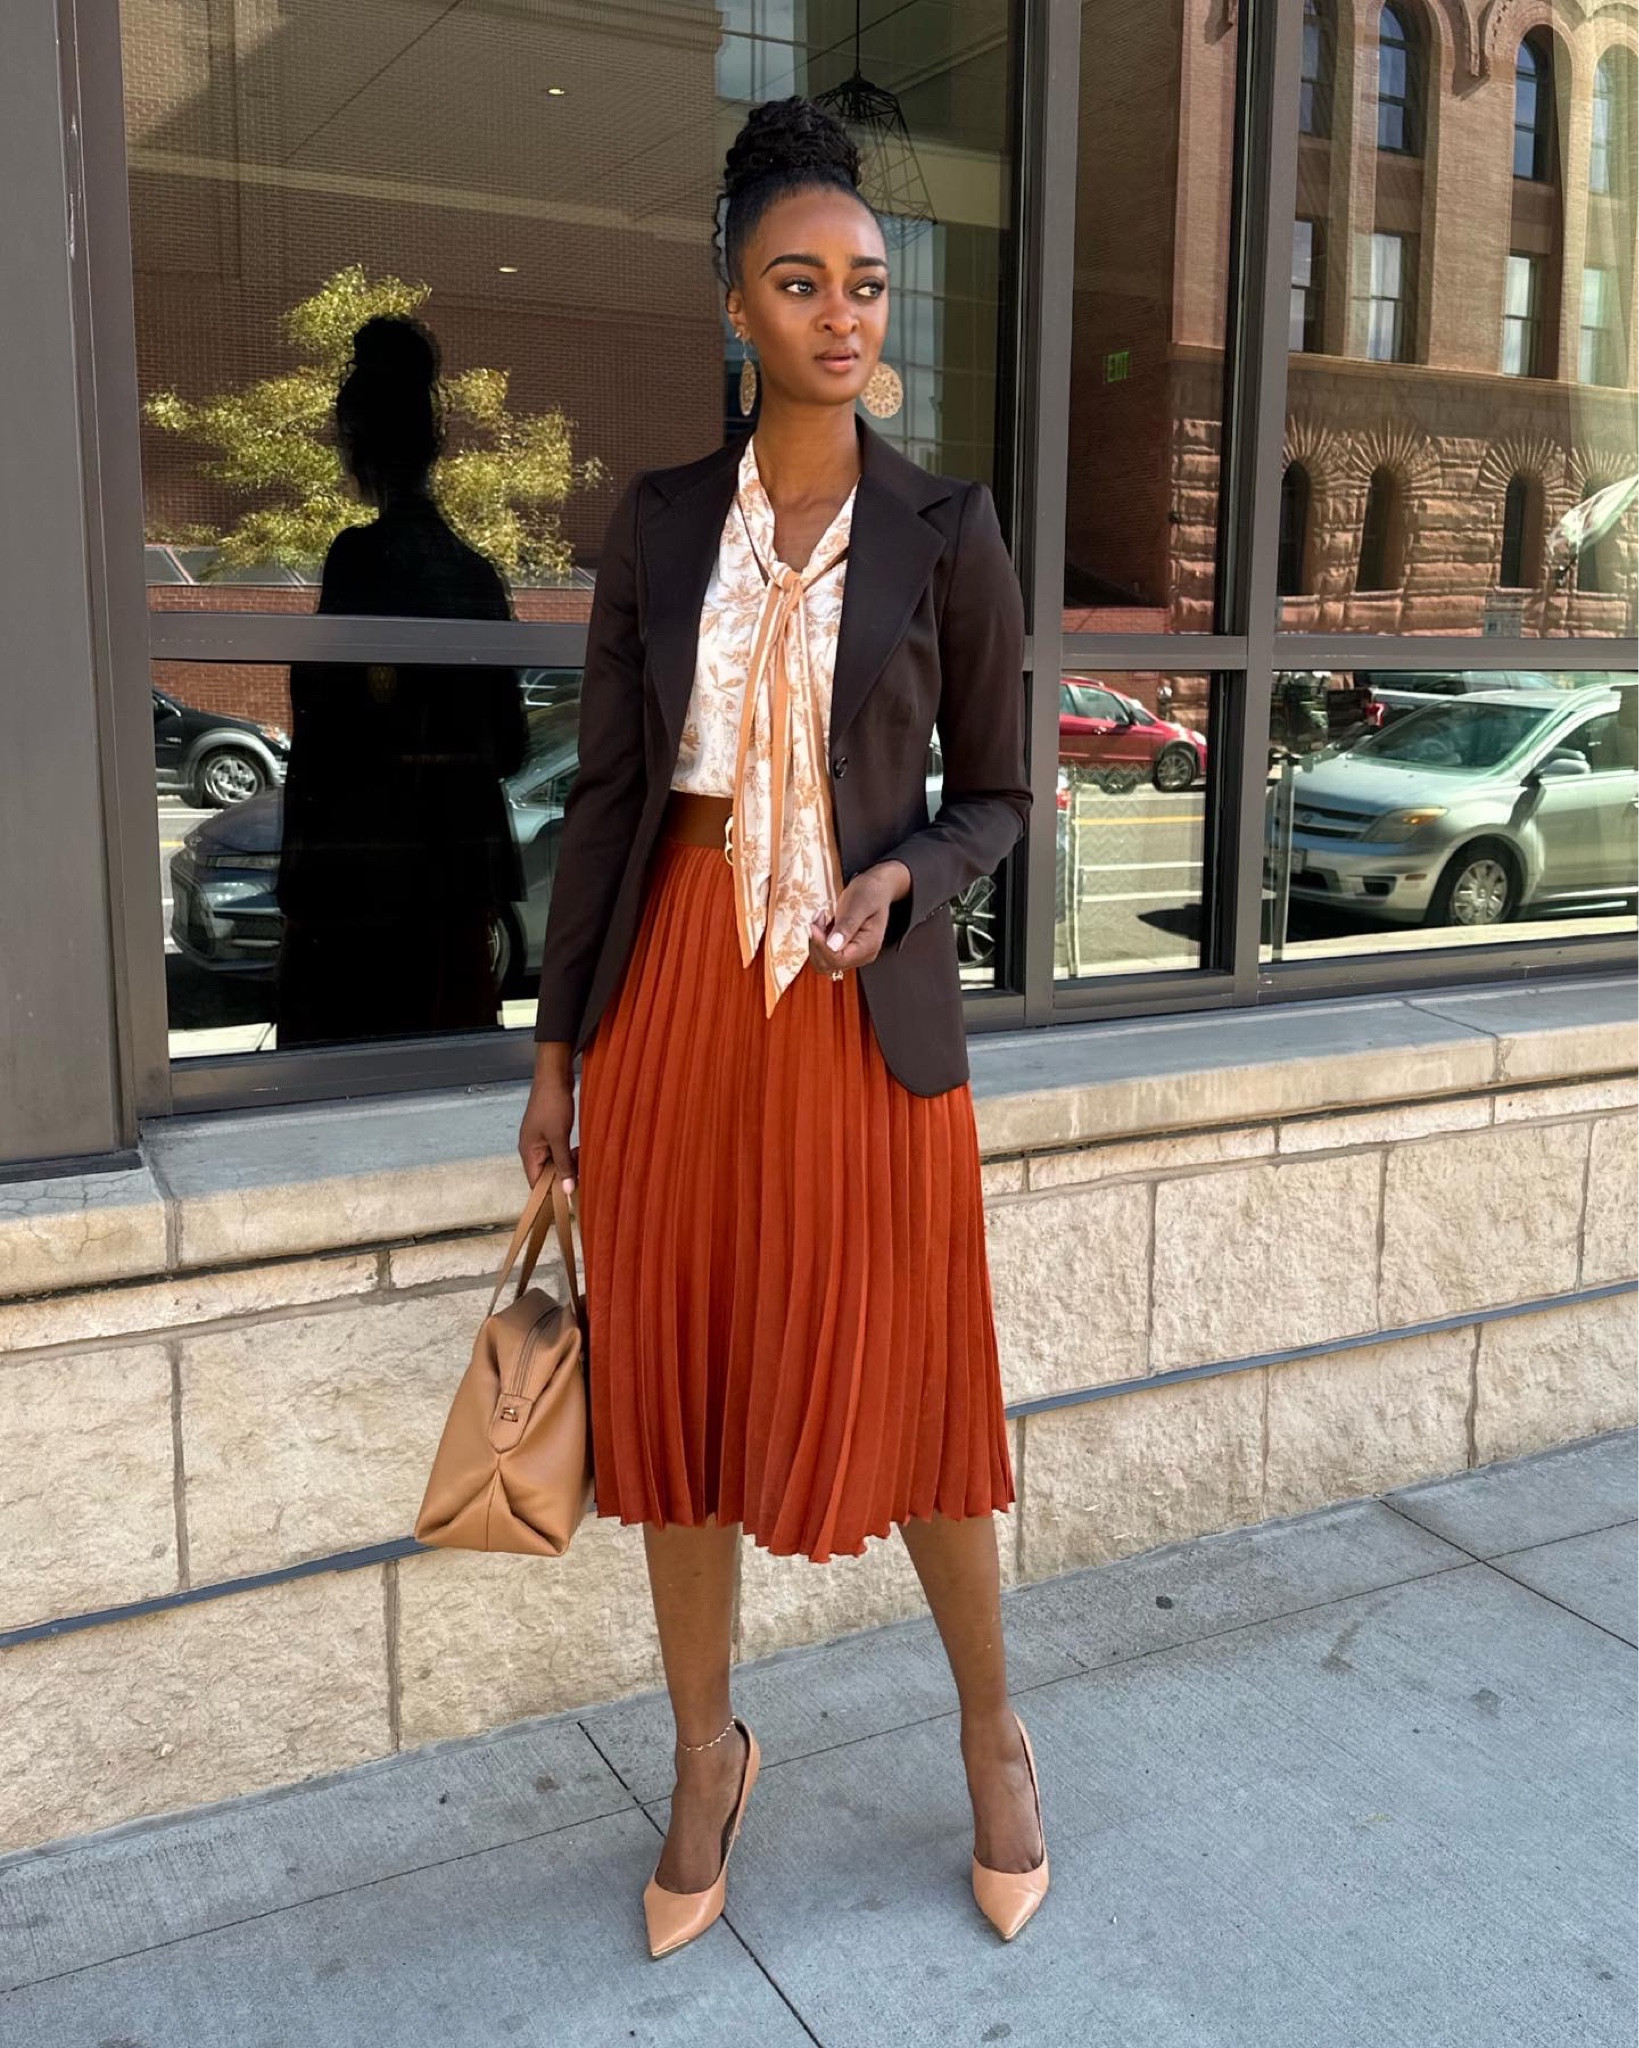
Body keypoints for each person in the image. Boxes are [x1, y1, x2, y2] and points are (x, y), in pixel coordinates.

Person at [517, 97, 1048, 1956]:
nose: (842, 314)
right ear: (733, 304)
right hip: (674, 1000)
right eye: (799, 282)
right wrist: (556, 1052)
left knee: (920, 1390)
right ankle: (703, 1755)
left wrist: (907, 873)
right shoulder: (660, 524)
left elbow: (1001, 791)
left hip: (858, 1015)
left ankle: (990, 1735)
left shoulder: (946, 527)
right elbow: (607, 802)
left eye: (867, 284)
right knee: (676, 1394)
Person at [275, 314, 527, 1047]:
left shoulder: (360, 560)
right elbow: (508, 744)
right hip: (453, 884)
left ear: (356, 444)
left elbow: (324, 730)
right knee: (443, 1069)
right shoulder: (473, 575)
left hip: (361, 888)